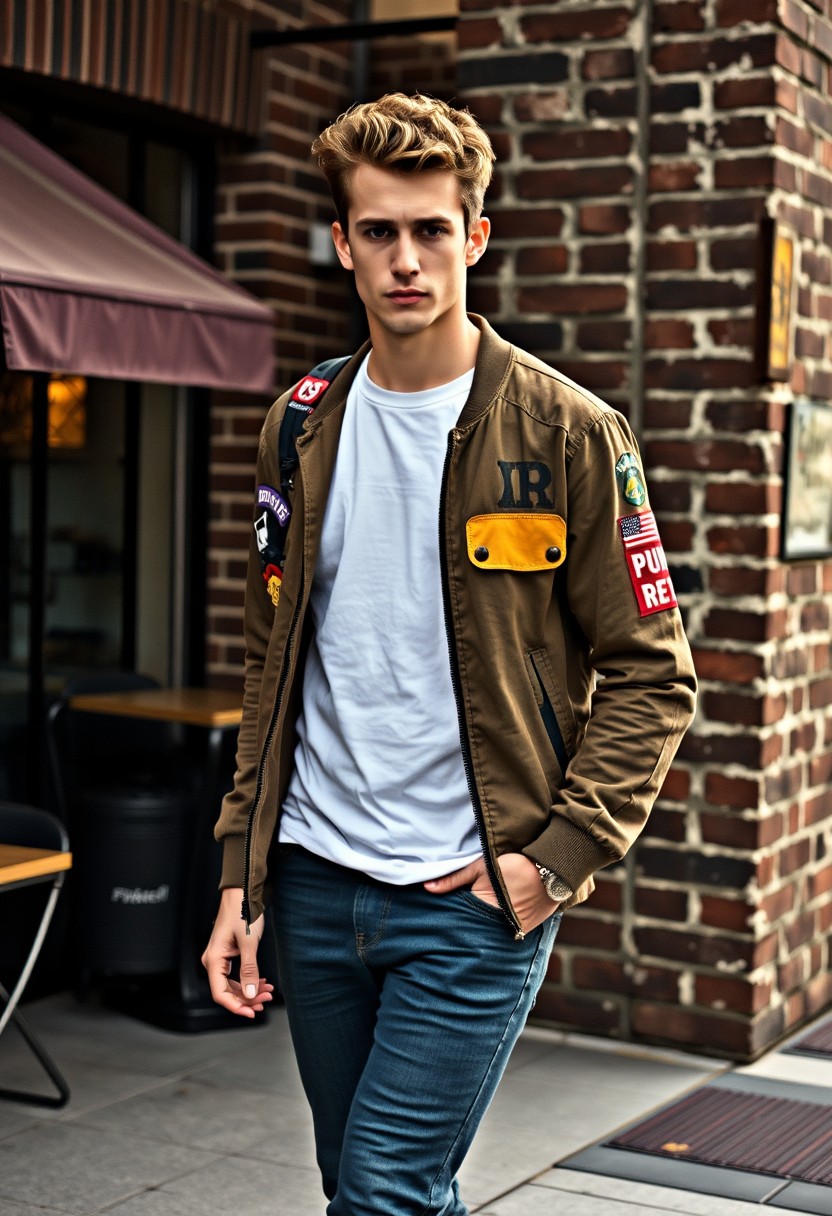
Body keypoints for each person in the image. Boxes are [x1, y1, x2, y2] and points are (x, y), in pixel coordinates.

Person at [202, 92, 697, 1215]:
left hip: (472, 896)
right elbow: (268, 665)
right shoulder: (299, 424)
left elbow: (650, 670)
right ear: (343, 245)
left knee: (380, 1190)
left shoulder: (569, 431)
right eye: (379, 232)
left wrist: (553, 857)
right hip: (318, 882)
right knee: (379, 1186)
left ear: (475, 237)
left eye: (431, 230)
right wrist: (241, 874)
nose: (406, 260)